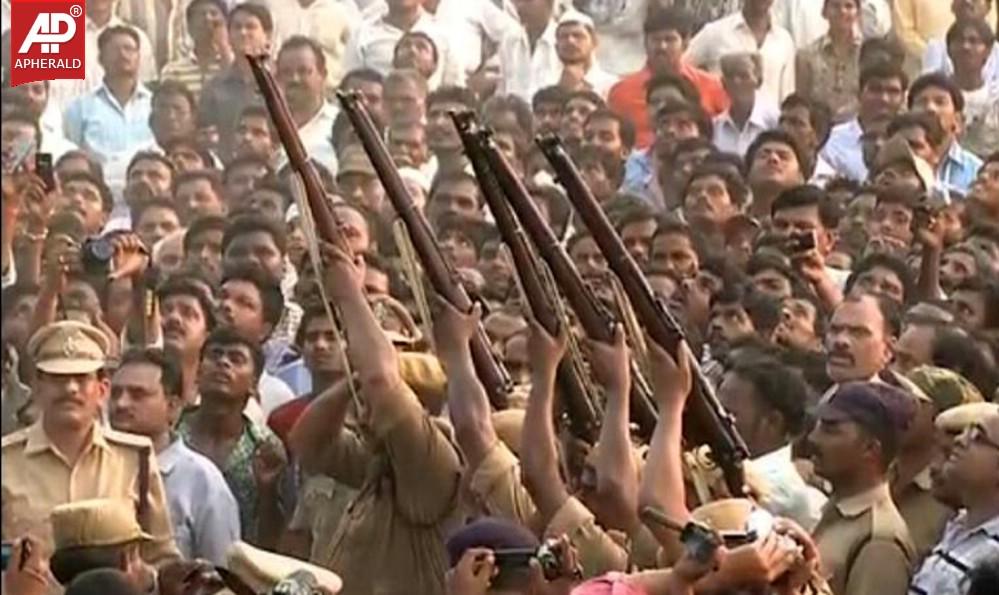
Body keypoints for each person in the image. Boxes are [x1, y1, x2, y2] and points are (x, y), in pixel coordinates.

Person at [1, 321, 178, 562]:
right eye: (58, 378)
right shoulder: (6, 461)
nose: (71, 388)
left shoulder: (135, 458)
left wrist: (143, 580)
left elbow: (162, 556)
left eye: (81, 378)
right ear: (37, 387)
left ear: (102, 390)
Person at [109, 347, 240, 565]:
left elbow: (222, 574)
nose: (121, 404)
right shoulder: (96, 466)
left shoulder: (202, 481)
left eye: (138, 394)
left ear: (173, 407)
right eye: (116, 394)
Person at [176, 327, 288, 548]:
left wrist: (268, 491)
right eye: (215, 355)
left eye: (236, 359)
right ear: (198, 372)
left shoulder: (266, 448)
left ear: (254, 382)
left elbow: (273, 542)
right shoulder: (170, 430)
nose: (223, 363)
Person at [808, 382, 917, 595]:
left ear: (870, 449)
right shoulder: (838, 512)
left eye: (830, 430)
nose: (813, 438)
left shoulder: (880, 541)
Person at [909, 406, 999, 595]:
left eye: (978, 437)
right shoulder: (958, 525)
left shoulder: (994, 555)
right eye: (966, 432)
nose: (960, 441)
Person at [64, 26, 155, 195]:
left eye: (129, 49)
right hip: (99, 195)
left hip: (149, 192)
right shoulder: (80, 107)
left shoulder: (155, 104)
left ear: (139, 57)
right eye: (114, 50)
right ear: (100, 59)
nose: (123, 55)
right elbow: (73, 154)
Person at [684, 0, 796, 102]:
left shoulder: (784, 40)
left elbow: (786, 95)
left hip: (770, 123)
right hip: (723, 121)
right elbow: (681, 68)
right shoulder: (715, 33)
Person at [820, 63, 908, 182]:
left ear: (903, 98)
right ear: (859, 94)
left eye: (893, 92)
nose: (884, 98)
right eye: (875, 90)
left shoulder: (911, 140)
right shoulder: (833, 141)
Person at [274, 36, 339, 173]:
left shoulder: (339, 124)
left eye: (303, 71)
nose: (294, 79)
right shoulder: (267, 127)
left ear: (322, 75)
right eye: (287, 72)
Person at [794, 0, 862, 122]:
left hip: (858, 132)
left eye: (849, 6)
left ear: (858, 13)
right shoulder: (807, 55)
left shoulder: (867, 54)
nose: (842, 11)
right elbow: (801, 102)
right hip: (819, 132)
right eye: (835, 6)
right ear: (824, 12)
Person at [159, 0, 234, 101]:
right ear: (190, 27)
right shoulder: (173, 71)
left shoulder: (236, 65)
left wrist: (223, 46)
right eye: (201, 14)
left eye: (213, 13)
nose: (208, 19)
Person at [712, 52, 779, 157]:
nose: (736, 82)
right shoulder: (715, 127)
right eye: (730, 76)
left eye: (744, 76)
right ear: (723, 83)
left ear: (758, 81)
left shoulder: (775, 122)